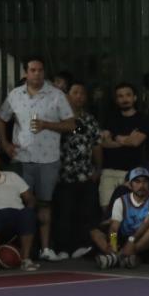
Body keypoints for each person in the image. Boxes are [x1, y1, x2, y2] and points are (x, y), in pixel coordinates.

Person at [0, 56, 75, 260]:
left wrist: (46, 124)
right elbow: (1, 117)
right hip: (22, 157)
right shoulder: (15, 94)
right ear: (25, 72)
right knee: (23, 204)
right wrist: (5, 144)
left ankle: (46, 249)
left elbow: (71, 124)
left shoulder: (56, 95)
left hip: (48, 158)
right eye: (32, 70)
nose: (37, 73)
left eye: (40, 70)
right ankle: (25, 251)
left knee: (45, 204)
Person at [51, 79, 103, 260]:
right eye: (75, 92)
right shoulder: (58, 118)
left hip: (86, 173)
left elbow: (96, 145)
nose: (79, 96)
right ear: (67, 96)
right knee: (64, 212)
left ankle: (82, 245)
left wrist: (98, 168)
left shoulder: (90, 119)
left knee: (85, 212)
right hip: (63, 173)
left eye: (82, 93)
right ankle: (63, 248)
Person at [91, 167, 149, 269]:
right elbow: (114, 228)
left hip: (143, 240)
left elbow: (147, 223)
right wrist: (113, 244)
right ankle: (120, 256)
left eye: (145, 182)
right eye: (137, 182)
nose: (141, 185)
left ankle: (116, 258)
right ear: (130, 185)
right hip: (124, 238)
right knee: (95, 232)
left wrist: (131, 240)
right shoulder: (120, 201)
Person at [96, 82, 149, 207]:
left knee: (130, 209)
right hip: (109, 171)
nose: (124, 99)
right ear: (116, 100)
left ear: (134, 97)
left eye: (128, 95)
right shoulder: (111, 118)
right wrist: (127, 139)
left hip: (132, 173)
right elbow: (104, 143)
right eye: (120, 96)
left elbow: (136, 142)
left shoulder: (142, 119)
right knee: (107, 208)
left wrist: (116, 137)